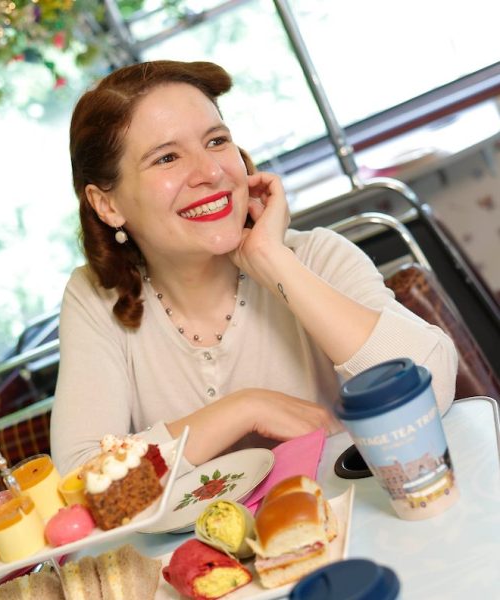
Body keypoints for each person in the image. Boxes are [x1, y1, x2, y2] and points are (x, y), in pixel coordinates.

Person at [50, 60, 458, 476]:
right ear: (108, 204)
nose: (211, 172)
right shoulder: (96, 300)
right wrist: (245, 408)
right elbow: (84, 478)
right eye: (167, 158)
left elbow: (434, 388)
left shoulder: (315, 256)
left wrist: (273, 260)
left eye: (216, 141)